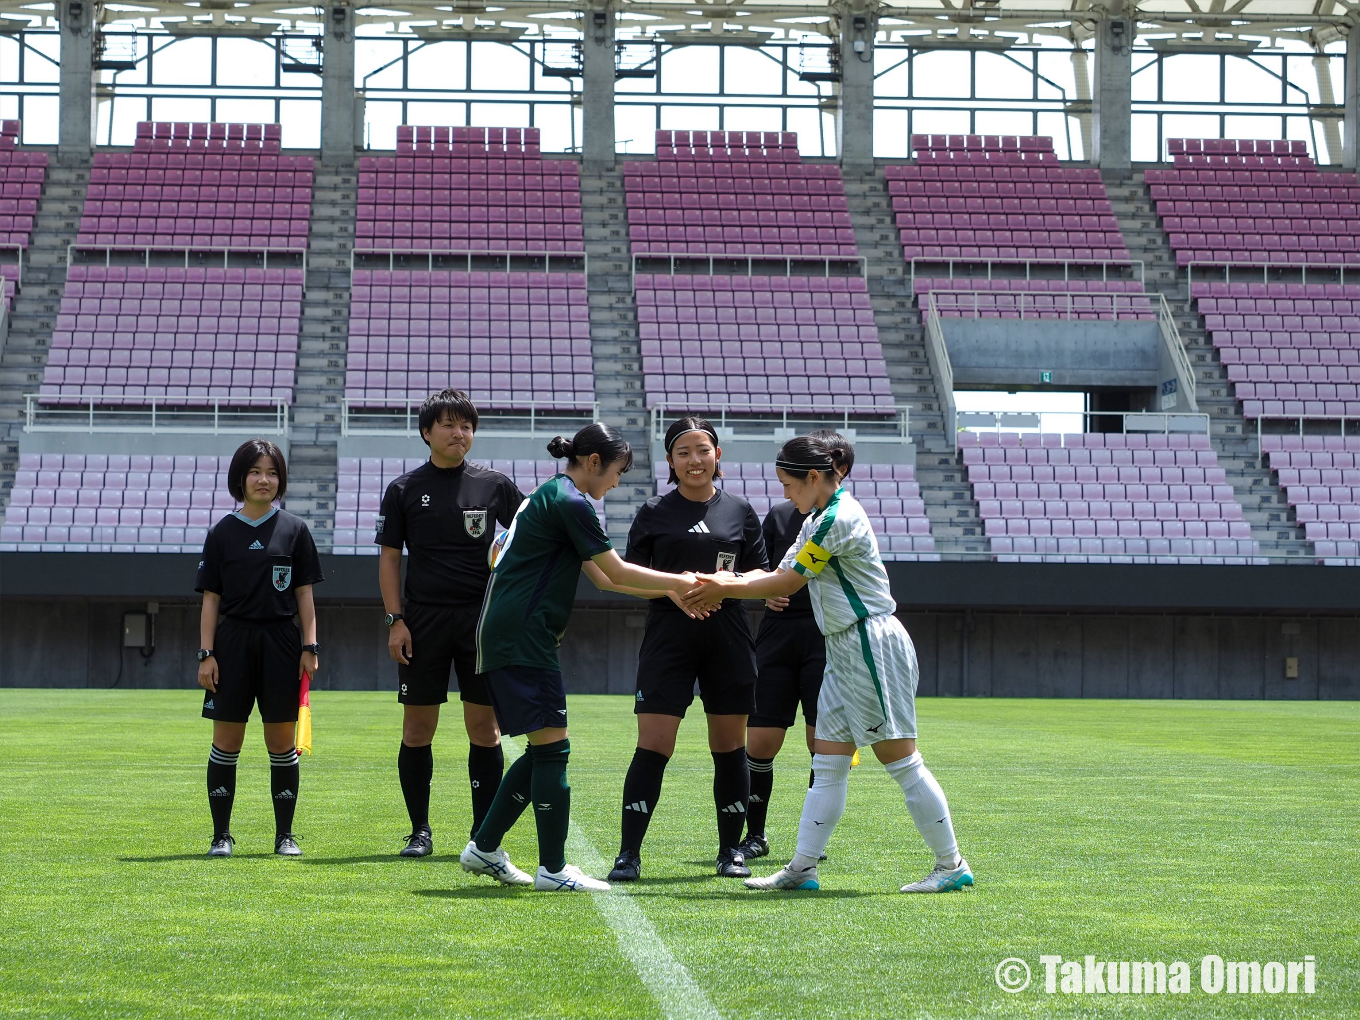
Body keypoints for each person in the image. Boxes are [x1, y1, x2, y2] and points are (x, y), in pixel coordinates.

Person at [684, 434, 973, 894]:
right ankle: (802, 869)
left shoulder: (837, 518)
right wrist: (726, 580)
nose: (785, 493)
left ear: (814, 477)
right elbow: (777, 574)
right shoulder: (816, 517)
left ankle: (951, 864)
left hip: (869, 643)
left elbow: (787, 583)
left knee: (901, 759)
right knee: (829, 760)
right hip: (843, 647)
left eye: (788, 484)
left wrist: (723, 587)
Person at [459, 423, 701, 892]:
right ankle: (553, 869)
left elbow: (605, 579)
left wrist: (670, 591)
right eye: (617, 472)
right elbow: (616, 570)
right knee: (554, 749)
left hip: (513, 634)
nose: (616, 483)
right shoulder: (571, 502)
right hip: (523, 636)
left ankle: (484, 848)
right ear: (593, 462)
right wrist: (686, 581)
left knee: (546, 748)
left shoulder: (553, 494)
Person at [601, 416, 767, 883]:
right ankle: (628, 854)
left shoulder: (740, 510)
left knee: (729, 747)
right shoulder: (654, 511)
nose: (695, 460)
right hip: (668, 639)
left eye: (703, 450)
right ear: (670, 461)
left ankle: (730, 852)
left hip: (728, 637)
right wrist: (673, 590)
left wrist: (726, 584)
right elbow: (629, 576)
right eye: (683, 452)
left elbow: (762, 573)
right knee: (653, 745)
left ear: (717, 455)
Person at [377, 389, 525, 859]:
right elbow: (389, 560)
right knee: (417, 729)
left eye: (466, 426)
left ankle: (483, 833)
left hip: (482, 623)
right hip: (423, 623)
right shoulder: (403, 489)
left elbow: (527, 541)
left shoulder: (496, 486)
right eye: (448, 424)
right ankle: (419, 831)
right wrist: (396, 620)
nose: (459, 433)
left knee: (485, 729)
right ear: (426, 432)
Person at [196, 439, 324, 858]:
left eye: (271, 472)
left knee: (281, 742)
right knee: (226, 740)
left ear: (280, 479)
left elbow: (304, 595)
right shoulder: (221, 533)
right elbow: (211, 599)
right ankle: (221, 836)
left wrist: (310, 645)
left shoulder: (295, 530)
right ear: (241, 478)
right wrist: (206, 653)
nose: (263, 480)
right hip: (232, 644)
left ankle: (285, 835)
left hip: (281, 643)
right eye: (254, 472)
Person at [739, 430, 851, 862]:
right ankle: (755, 835)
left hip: (825, 638)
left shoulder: (838, 520)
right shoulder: (787, 516)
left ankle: (811, 843)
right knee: (760, 741)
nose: (788, 492)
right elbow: (766, 569)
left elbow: (795, 578)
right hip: (778, 634)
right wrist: (764, 593)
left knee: (822, 745)